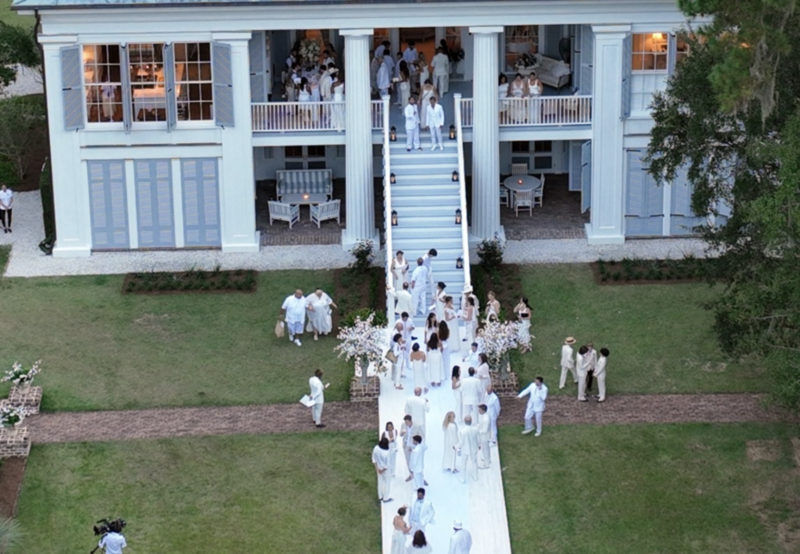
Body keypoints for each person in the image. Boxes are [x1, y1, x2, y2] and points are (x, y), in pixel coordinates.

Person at [455, 415, 479, 482]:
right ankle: (475, 476)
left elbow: (461, 442)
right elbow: (478, 439)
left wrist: (456, 446)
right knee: (474, 462)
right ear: (471, 421)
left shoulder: (462, 431)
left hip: (465, 450)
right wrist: (479, 445)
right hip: (474, 448)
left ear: (464, 421)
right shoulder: (476, 429)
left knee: (463, 463)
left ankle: (462, 478)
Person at [373, 437, 393, 502]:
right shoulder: (387, 452)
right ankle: (385, 498)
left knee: (380, 482)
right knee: (387, 483)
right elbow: (387, 464)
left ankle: (380, 496)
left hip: (378, 467)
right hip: (385, 470)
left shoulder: (376, 448)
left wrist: (377, 469)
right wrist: (382, 470)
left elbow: (374, 459)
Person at [438, 320, 451, 385]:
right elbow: (448, 337)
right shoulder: (448, 331)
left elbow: (439, 339)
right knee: (446, 360)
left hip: (441, 345)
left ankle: (442, 374)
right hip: (446, 345)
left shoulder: (439, 332)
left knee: (442, 361)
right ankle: (447, 374)